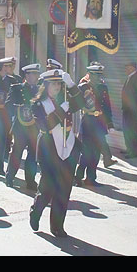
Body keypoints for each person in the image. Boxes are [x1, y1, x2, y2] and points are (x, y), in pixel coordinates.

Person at [29, 68, 86, 238]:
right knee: (47, 188)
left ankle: (57, 227)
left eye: (59, 84)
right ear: (45, 85)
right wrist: (62, 110)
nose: (57, 87)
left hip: (68, 149)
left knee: (64, 190)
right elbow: (46, 125)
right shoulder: (38, 104)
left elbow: (82, 103)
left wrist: (72, 85)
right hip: (49, 150)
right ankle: (36, 210)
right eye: (54, 84)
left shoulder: (65, 100)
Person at [74, 62, 116, 186]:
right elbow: (76, 102)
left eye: (100, 75)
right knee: (87, 152)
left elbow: (107, 105)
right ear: (90, 75)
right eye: (96, 75)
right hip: (88, 121)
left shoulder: (103, 88)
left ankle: (91, 178)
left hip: (100, 122)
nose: (99, 78)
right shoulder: (83, 87)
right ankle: (78, 176)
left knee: (96, 152)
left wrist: (110, 123)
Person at [5, 63, 41, 190]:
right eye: (33, 74)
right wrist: (18, 108)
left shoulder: (40, 90)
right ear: (27, 75)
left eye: (37, 74)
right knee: (16, 153)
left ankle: (30, 181)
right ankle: (9, 177)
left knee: (32, 155)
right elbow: (7, 105)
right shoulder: (16, 88)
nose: (36, 76)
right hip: (20, 126)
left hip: (34, 128)